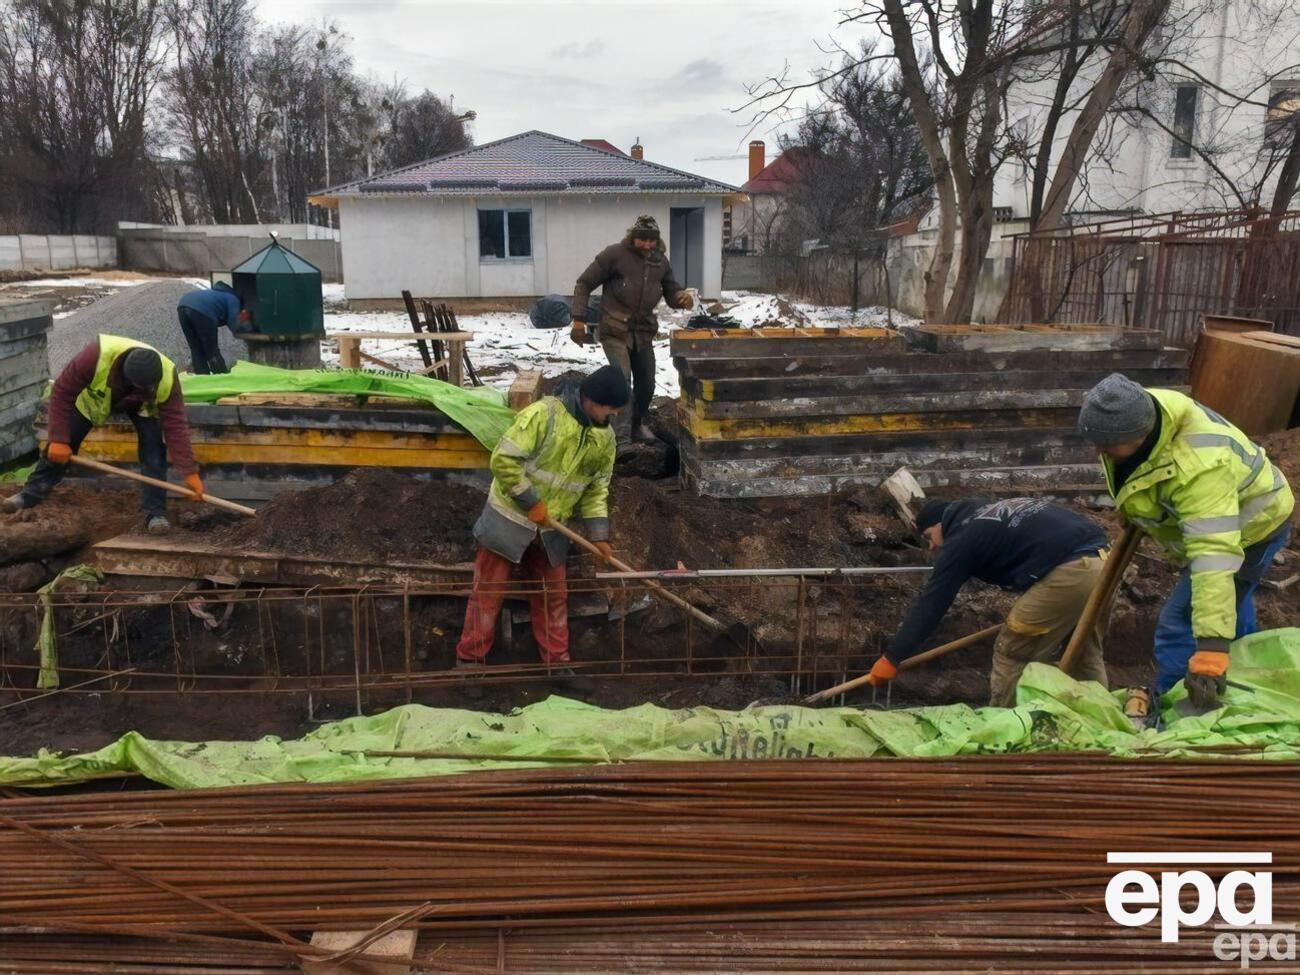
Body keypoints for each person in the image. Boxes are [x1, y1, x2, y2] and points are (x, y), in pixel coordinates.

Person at [1077, 373, 1293, 709]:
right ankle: (1249, 680)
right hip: (1223, 521)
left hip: (1253, 529)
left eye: (1108, 444)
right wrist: (1137, 507)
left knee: (1180, 622)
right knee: (1232, 608)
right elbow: (1143, 475)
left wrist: (1209, 651)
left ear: (1140, 434)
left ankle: (1177, 701)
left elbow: (1214, 558)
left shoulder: (1199, 468)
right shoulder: (1140, 407)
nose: (1100, 450)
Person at [454, 364, 627, 681]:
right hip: (508, 517)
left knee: (554, 597)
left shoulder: (605, 440)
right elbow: (503, 460)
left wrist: (599, 534)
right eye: (610, 407)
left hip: (551, 527)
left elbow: (596, 489)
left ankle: (557, 665)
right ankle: (469, 664)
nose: (613, 414)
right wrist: (530, 501)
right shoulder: (543, 415)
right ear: (591, 399)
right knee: (488, 593)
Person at [863, 497, 1112, 707]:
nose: (932, 547)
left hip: (1071, 570)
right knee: (1084, 652)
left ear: (941, 523)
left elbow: (933, 602)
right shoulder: (987, 515)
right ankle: (1099, 718)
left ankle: (1007, 730)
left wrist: (892, 657)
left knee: (1012, 650)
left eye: (929, 536)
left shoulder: (961, 540)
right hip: (1107, 563)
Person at [2, 336, 203, 535]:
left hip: (144, 406)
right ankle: (30, 495)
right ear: (124, 375)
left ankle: (155, 513)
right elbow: (62, 392)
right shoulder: (94, 357)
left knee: (153, 451)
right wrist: (58, 440)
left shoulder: (167, 377)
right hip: (96, 401)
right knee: (64, 443)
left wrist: (189, 471)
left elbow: (176, 425)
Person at [570, 215, 694, 449]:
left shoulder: (661, 263)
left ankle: (636, 423)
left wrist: (681, 298)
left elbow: (671, 291)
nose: (647, 245)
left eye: (651, 240)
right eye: (642, 239)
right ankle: (620, 440)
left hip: (643, 333)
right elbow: (584, 283)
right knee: (622, 380)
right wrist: (578, 319)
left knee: (647, 383)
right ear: (632, 237)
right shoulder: (614, 255)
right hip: (614, 330)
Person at [176, 281, 250, 374]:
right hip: (202, 311)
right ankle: (221, 378)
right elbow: (233, 324)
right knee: (212, 350)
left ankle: (202, 379)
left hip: (183, 305)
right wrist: (247, 327)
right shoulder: (233, 298)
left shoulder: (215, 294)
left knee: (196, 348)